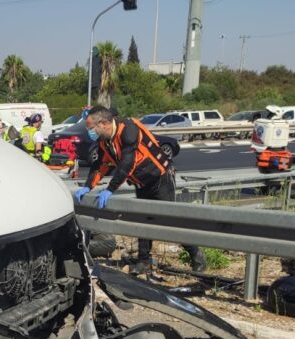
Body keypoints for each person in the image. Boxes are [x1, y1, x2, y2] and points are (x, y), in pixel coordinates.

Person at [74, 106, 206, 273]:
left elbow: (127, 163)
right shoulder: (104, 141)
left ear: (104, 123)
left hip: (160, 178)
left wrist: (110, 189)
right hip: (141, 183)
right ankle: (143, 261)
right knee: (143, 221)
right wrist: (87, 186)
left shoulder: (129, 130)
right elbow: (100, 165)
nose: (89, 132)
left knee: (170, 221)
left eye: (91, 128)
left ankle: (196, 255)